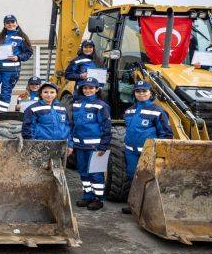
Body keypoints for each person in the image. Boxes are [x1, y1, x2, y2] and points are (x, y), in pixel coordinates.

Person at [121, 80, 173, 214]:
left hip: (148, 153)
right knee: (133, 176)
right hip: (131, 152)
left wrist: (162, 153)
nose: (141, 93)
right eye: (138, 91)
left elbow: (166, 134)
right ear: (134, 93)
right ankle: (134, 205)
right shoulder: (129, 111)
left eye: (144, 91)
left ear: (151, 93)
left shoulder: (158, 111)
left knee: (148, 178)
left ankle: (147, 208)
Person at [69, 77, 112, 211]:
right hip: (80, 146)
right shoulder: (76, 104)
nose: (88, 90)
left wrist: (104, 146)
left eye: (91, 88)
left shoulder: (101, 105)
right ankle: (87, 196)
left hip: (96, 147)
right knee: (83, 172)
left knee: (95, 173)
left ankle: (98, 199)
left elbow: (106, 127)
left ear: (97, 89)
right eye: (85, 88)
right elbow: (72, 125)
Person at [0, 15, 33, 116]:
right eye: (7, 23)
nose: (10, 24)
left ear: (16, 23)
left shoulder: (21, 38)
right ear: (4, 25)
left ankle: (1, 114)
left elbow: (28, 53)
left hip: (11, 71)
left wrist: (18, 57)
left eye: (12, 22)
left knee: (5, 94)